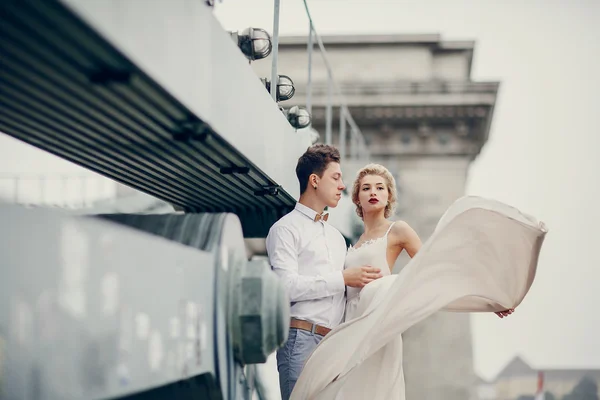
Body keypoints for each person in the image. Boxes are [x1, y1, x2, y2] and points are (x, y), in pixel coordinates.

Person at [290, 164, 547, 400]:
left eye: (380, 188)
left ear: (389, 196)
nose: (373, 192)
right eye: (366, 188)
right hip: (351, 325)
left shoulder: (398, 230)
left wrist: (490, 301)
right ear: (356, 198)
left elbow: (433, 272)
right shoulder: (352, 244)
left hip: (378, 326)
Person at [266, 146, 383, 400]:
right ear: (314, 180)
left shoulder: (337, 238)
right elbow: (285, 287)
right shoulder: (284, 230)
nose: (343, 185)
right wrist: (341, 279)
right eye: (336, 177)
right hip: (300, 340)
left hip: (335, 344)